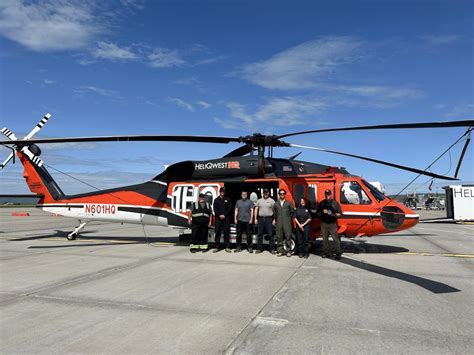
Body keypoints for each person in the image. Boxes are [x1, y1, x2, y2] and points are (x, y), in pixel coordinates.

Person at [316, 189, 343, 259]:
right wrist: (321, 213)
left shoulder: (335, 203)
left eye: (328, 194)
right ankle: (326, 253)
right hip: (324, 224)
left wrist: (332, 214)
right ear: (325, 195)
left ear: (331, 194)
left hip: (332, 224)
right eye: (326, 194)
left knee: (335, 240)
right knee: (325, 240)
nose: (327, 195)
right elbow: (317, 213)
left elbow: (340, 214)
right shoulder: (321, 203)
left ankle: (338, 254)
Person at [273, 189, 295, 257]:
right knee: (279, 236)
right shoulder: (276, 204)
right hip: (279, 222)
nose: (282, 195)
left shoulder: (288, 203)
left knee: (288, 236)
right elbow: (274, 213)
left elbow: (292, 212)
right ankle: (280, 251)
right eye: (280, 193)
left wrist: (288, 219)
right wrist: (275, 220)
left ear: (285, 194)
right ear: (279, 195)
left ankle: (288, 251)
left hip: (287, 222)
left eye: (283, 193)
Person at [254, 188, 276, 254]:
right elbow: (256, 209)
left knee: (270, 234)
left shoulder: (272, 201)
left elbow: (275, 211)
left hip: (269, 219)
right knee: (259, 234)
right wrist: (255, 218)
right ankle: (259, 249)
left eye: (266, 192)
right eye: (264, 192)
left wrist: (275, 219)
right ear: (262, 193)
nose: (265, 193)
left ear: (268, 193)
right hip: (261, 219)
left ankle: (272, 249)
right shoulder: (259, 200)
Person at [212, 187, 232, 253]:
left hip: (226, 219)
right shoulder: (216, 200)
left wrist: (224, 215)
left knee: (226, 232)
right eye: (221, 191)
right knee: (218, 233)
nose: (222, 192)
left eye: (223, 191)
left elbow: (229, 208)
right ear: (219, 192)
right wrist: (219, 215)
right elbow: (215, 209)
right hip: (218, 219)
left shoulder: (227, 199)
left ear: (224, 192)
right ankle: (217, 247)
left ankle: (227, 247)